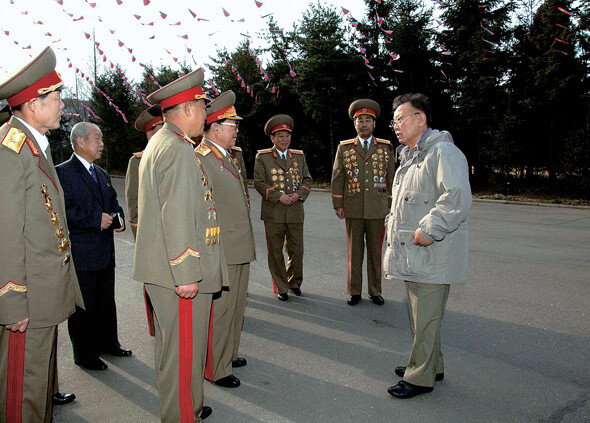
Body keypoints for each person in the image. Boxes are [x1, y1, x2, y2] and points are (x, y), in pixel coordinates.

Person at [133, 68, 226, 422]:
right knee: (183, 355)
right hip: (180, 277)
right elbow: (177, 216)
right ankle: (182, 414)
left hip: (167, 273)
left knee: (175, 353)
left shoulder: (163, 143)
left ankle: (186, 407)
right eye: (203, 107)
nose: (205, 115)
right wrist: (187, 273)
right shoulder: (176, 149)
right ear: (187, 109)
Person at [0, 46, 83, 422]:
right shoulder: (11, 148)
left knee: (38, 383)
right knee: (22, 388)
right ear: (33, 104)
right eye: (57, 97)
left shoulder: (36, 144)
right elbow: (6, 231)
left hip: (44, 290)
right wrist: (11, 300)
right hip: (27, 296)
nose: (63, 105)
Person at [383, 93, 471, 399]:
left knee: (426, 315)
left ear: (420, 119)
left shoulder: (442, 153)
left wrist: (429, 230)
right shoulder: (413, 156)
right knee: (421, 315)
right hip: (414, 254)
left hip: (432, 252)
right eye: (393, 120)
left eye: (399, 119)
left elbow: (457, 198)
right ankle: (433, 363)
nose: (394, 125)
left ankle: (420, 377)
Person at [56, 122, 131, 371]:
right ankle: (85, 354)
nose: (101, 143)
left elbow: (113, 203)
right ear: (81, 141)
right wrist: (93, 219)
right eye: (97, 139)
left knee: (106, 302)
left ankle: (109, 343)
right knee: (82, 306)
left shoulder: (101, 173)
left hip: (104, 252)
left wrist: (118, 217)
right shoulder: (62, 173)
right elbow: (60, 212)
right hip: (81, 253)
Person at [195, 90, 255, 389]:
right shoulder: (202, 159)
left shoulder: (227, 157)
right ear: (215, 128)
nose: (237, 131)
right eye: (233, 126)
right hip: (222, 249)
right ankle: (215, 368)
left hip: (239, 247)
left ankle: (227, 355)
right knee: (220, 312)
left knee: (235, 308)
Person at [331, 99, 395, 306]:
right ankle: (354, 290)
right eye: (360, 120)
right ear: (354, 124)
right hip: (354, 207)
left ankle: (375, 290)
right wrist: (338, 204)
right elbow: (338, 177)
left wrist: (390, 205)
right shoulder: (345, 148)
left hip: (378, 208)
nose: (364, 124)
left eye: (368, 120)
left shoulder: (385, 147)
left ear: (374, 124)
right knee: (355, 251)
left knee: (375, 252)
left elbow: (391, 177)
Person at [254, 115, 312, 301]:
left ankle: (294, 282)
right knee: (276, 251)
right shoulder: (262, 157)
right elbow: (259, 183)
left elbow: (307, 180)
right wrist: (279, 197)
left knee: (297, 250)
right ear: (272, 138)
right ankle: (281, 286)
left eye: (287, 135)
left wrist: (298, 195)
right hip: (274, 212)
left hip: (295, 211)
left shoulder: (299, 156)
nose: (284, 139)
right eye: (280, 136)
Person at [125, 104, 163, 240]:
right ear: (149, 134)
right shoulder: (137, 162)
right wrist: (141, 240)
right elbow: (134, 207)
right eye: (162, 130)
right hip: (152, 236)